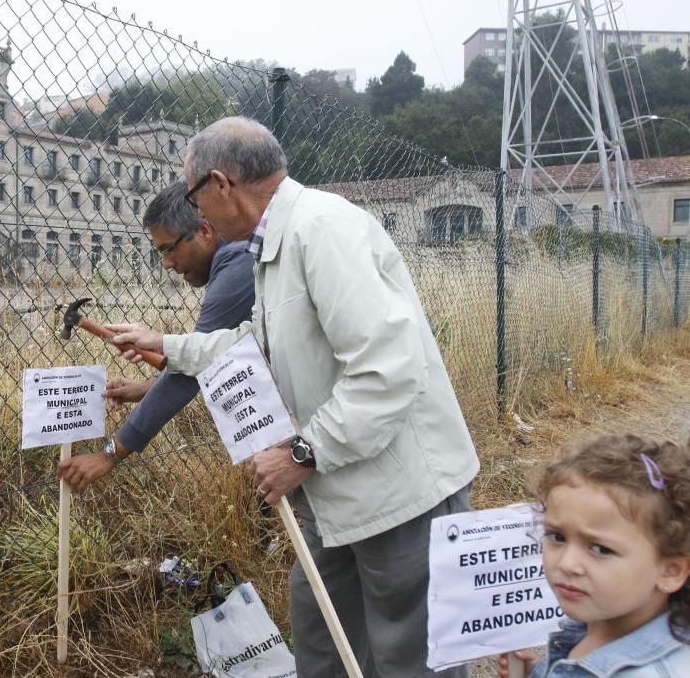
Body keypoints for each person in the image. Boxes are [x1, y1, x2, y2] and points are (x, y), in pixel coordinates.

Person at [108, 116, 480, 677]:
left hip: (399, 495)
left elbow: (386, 370)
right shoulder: (276, 244)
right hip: (338, 494)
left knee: (409, 657)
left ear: (219, 184)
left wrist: (302, 453)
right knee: (323, 641)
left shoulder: (323, 230)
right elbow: (255, 344)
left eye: (193, 197)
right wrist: (166, 345)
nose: (196, 214)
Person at [57, 181, 254, 492]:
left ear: (204, 231)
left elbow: (194, 370)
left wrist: (112, 452)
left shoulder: (239, 265)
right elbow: (211, 358)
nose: (167, 264)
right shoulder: (241, 253)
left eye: (169, 249)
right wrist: (146, 388)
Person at [498, 434, 690, 678]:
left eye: (600, 549)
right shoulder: (599, 623)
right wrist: (537, 672)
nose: (567, 564)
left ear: (671, 571)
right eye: (557, 537)